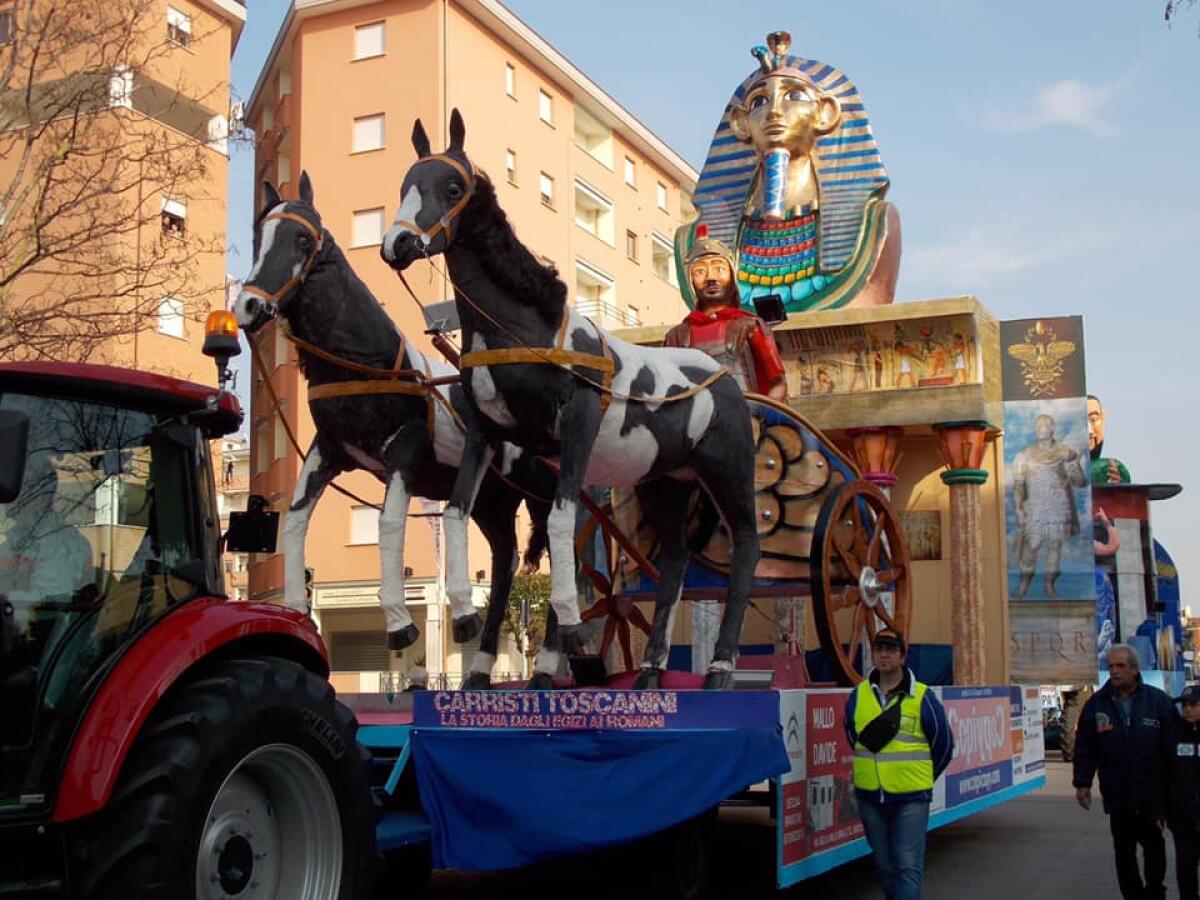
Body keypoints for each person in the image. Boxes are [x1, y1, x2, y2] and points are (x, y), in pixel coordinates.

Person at [844, 628, 954, 900]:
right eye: (879, 648)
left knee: (906, 864)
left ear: (902, 656)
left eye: (891, 649)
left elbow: (943, 744)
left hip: (911, 798)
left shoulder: (922, 697)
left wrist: (922, 778)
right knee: (885, 865)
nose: (883, 654)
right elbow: (852, 736)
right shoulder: (858, 695)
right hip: (870, 796)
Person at [1073, 644, 1174, 900]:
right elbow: (1085, 746)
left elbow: (1172, 748)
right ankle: (1132, 895)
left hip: (1152, 794)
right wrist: (1082, 783)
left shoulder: (1157, 701)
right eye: (1111, 666)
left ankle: (1154, 892)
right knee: (1124, 851)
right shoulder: (1097, 705)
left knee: (1154, 848)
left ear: (1134, 669)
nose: (1115, 672)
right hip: (1118, 794)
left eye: (1121, 666)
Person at [663, 232, 788, 401]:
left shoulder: (751, 325)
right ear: (690, 280)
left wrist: (758, 415)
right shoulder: (676, 336)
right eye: (700, 271)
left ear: (731, 275)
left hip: (745, 414)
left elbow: (778, 383)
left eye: (719, 269)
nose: (711, 278)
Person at [1010, 412, 1086, 599]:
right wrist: (1019, 509)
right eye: (1037, 426)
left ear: (1052, 429)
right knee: (1031, 547)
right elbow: (1019, 486)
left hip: (1057, 503)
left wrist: (1075, 471)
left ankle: (1049, 585)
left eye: (1044, 425)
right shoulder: (1025, 455)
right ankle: (1023, 584)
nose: (1040, 429)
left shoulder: (1064, 452)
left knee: (1054, 545)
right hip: (1035, 505)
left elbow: (1080, 482)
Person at [1168, 684, 1200, 900]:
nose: (1187, 709)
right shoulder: (1173, 735)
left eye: (1194, 705)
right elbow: (1163, 774)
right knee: (1186, 869)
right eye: (1185, 705)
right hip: (1183, 819)